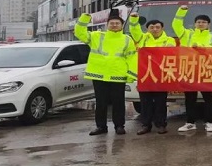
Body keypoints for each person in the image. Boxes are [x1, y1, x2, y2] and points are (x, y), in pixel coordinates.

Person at [74, 8, 137, 136]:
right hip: (99, 75)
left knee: (118, 102)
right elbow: (80, 33)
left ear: (121, 25)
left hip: (118, 75)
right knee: (101, 102)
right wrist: (84, 19)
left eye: (117, 23)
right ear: (106, 25)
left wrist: (131, 74)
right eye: (112, 23)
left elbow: (132, 57)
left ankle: (119, 126)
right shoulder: (97, 36)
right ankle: (101, 126)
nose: (114, 25)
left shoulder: (127, 39)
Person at [173, 6, 212, 133]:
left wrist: (199, 47)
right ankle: (190, 122)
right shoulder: (186, 34)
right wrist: (181, 11)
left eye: (204, 22)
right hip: (189, 70)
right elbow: (176, 24)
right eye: (198, 22)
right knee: (190, 98)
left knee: (209, 98)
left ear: (208, 25)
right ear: (194, 24)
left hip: (206, 71)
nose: (201, 24)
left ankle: (209, 122)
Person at [128, 14, 176, 135]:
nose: (154, 29)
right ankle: (146, 125)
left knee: (161, 102)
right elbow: (134, 29)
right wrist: (134, 19)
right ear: (147, 29)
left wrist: (171, 48)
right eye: (152, 27)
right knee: (145, 102)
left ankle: (161, 125)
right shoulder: (142, 38)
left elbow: (173, 51)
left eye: (157, 27)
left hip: (161, 75)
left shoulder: (169, 40)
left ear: (162, 28)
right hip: (145, 75)